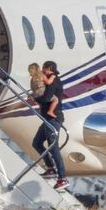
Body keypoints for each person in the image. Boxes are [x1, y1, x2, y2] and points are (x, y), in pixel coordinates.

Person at [31, 61, 70, 191]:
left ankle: (62, 178)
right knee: (37, 143)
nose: (42, 70)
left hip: (54, 119)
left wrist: (35, 98)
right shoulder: (48, 80)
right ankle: (50, 168)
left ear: (50, 69)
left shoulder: (54, 81)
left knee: (54, 147)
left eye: (44, 68)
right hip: (47, 119)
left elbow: (47, 97)